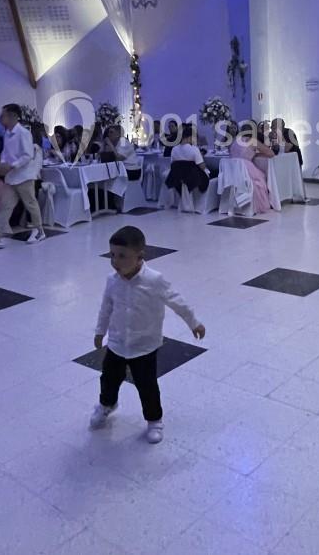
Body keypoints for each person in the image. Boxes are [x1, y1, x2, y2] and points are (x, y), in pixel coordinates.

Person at [90, 226, 205, 444]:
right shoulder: (112, 281)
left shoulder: (154, 280)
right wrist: (99, 332)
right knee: (108, 379)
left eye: (122, 256)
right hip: (116, 343)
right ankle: (106, 405)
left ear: (140, 256)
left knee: (147, 385)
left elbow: (176, 301)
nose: (116, 261)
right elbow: (106, 307)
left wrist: (194, 323)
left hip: (145, 345)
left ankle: (154, 420)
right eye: (112, 255)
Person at [0, 104, 45, 243]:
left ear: (13, 116)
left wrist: (11, 166)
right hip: (11, 177)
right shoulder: (6, 133)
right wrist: (2, 163)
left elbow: (28, 155)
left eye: (4, 115)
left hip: (24, 175)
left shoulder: (23, 133)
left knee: (30, 203)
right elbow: (5, 152)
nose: (1, 118)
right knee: (6, 204)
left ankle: (39, 231)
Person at [228, 120, 275, 215]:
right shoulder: (252, 141)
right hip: (245, 168)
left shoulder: (234, 141)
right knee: (262, 178)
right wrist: (257, 154)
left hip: (232, 172)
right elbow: (271, 153)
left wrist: (254, 154)